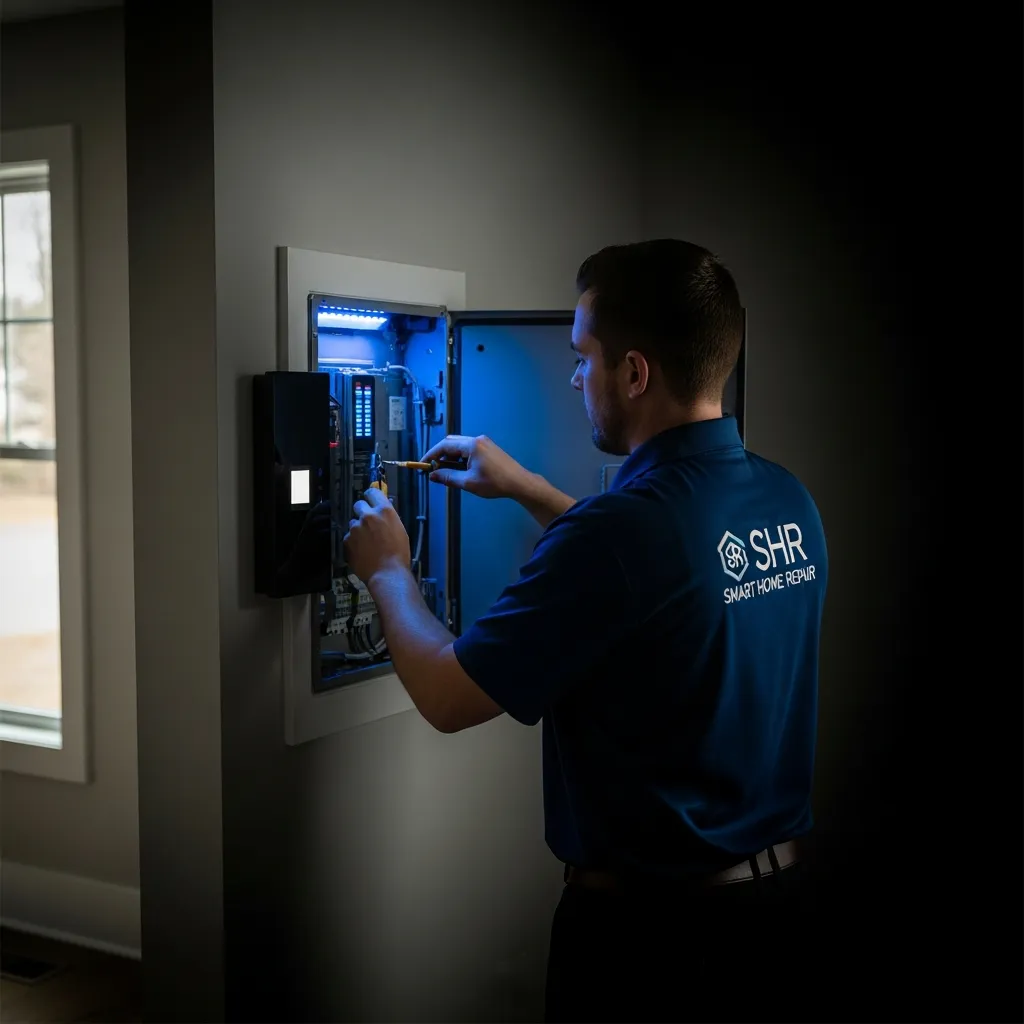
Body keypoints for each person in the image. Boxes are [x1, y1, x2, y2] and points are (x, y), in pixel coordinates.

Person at [343, 239, 828, 1023]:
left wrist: (390, 569)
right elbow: (668, 588)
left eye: (583, 356)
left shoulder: (618, 539)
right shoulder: (785, 499)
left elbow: (446, 694)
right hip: (776, 922)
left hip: (652, 948)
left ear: (634, 374)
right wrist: (529, 488)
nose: (574, 377)